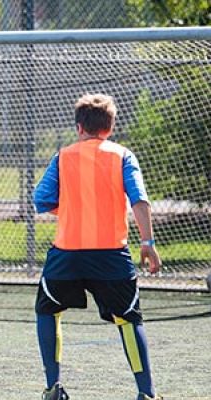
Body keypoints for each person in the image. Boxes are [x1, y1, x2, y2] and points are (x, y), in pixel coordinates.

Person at [33, 94, 162, 400]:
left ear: (79, 127)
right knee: (129, 319)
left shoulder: (63, 156)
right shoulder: (122, 155)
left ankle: (53, 386)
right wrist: (148, 243)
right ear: (111, 125)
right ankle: (146, 393)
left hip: (67, 254)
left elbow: (42, 200)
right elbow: (140, 200)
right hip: (111, 255)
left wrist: (76, 208)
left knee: (47, 311)